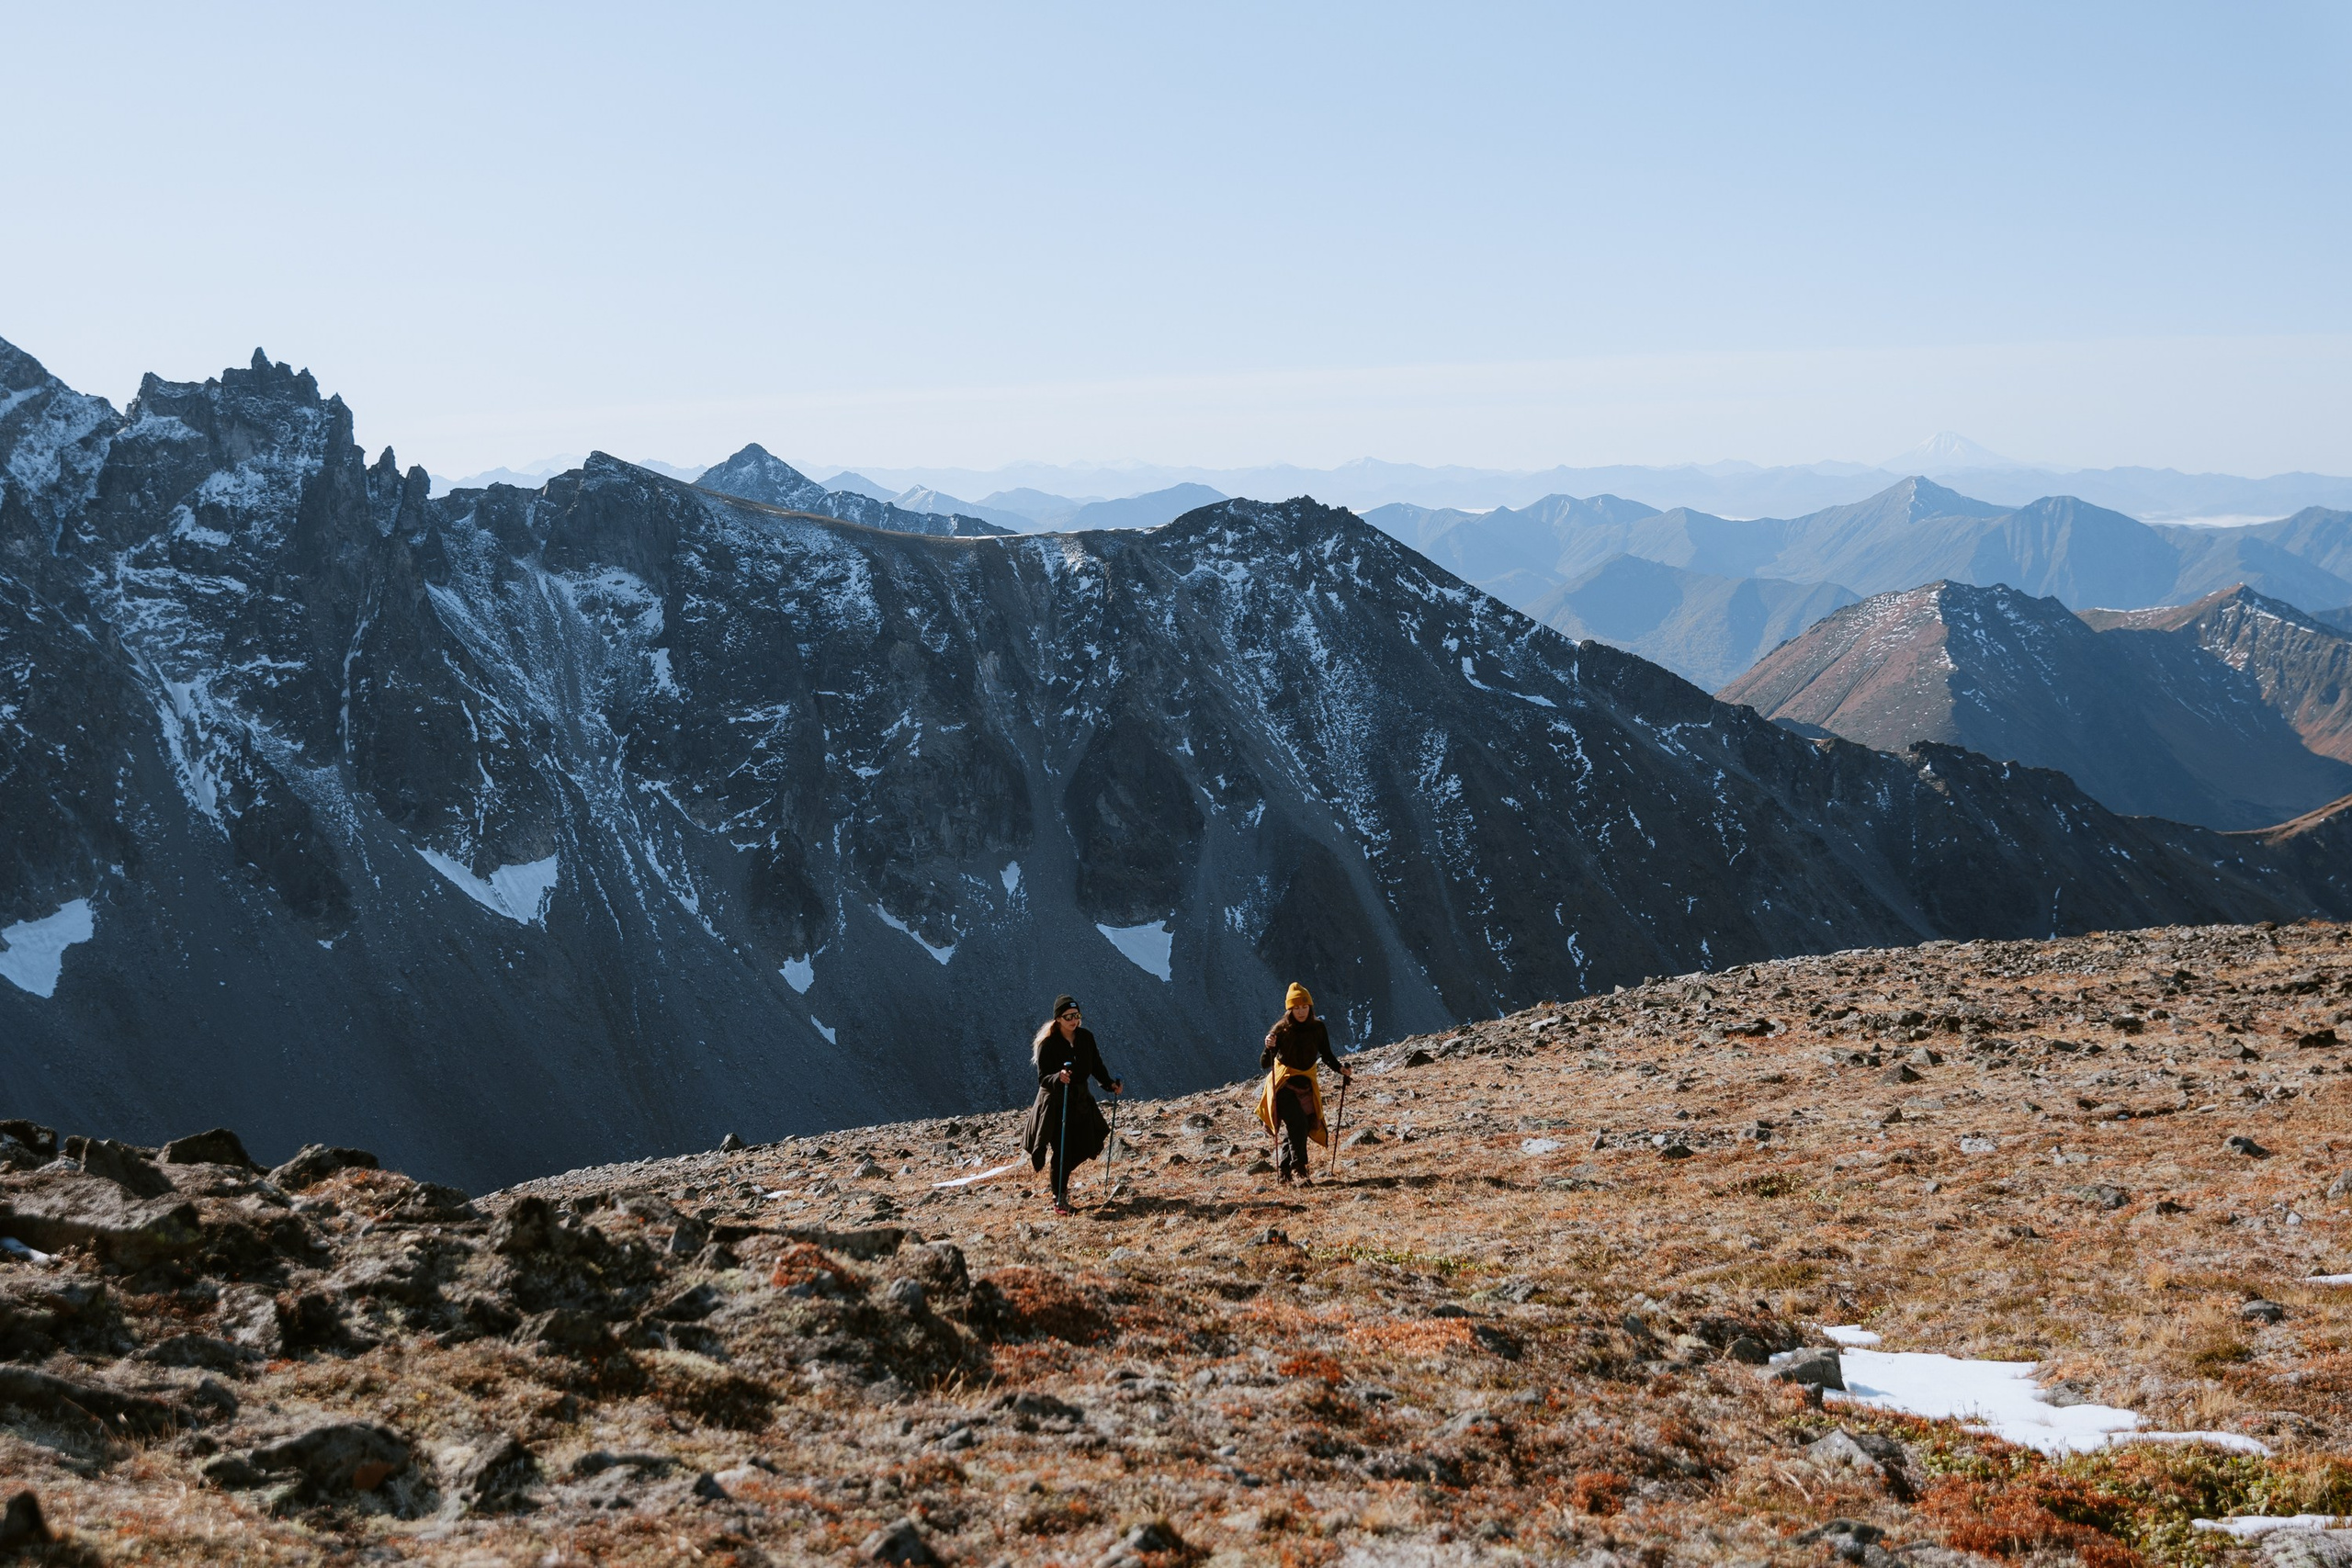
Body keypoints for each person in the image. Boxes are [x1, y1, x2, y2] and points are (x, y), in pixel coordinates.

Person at [1023, 995, 1124, 1214]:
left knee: (1088, 1143)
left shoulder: (1086, 1038)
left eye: (1076, 1015)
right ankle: (1059, 1198)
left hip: (1080, 1100)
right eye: (1068, 1016)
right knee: (1062, 1149)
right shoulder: (1048, 1045)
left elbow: (1096, 1065)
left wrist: (1109, 1085)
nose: (1074, 1020)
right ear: (1058, 1018)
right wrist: (1058, 1077)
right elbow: (1043, 1078)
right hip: (1056, 1103)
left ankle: (1061, 1174)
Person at [1257, 982, 1351, 1183]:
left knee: (1302, 1125)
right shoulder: (1280, 1030)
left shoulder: (1318, 1028)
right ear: (1290, 1009)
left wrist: (1340, 1069)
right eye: (1296, 1007)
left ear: (1310, 1007)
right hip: (1283, 1084)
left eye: (1304, 1006)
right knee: (1298, 1123)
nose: (1301, 1011)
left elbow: (1326, 1054)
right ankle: (1299, 1169)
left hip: (1306, 1082)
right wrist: (1268, 1047)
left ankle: (1284, 1172)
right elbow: (1265, 1063)